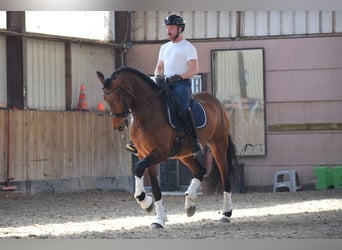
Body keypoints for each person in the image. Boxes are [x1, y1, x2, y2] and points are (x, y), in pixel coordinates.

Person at [126, 14, 202, 157]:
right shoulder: (164, 47)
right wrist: (157, 77)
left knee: (183, 108)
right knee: (145, 104)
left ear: (180, 29)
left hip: (181, 84)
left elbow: (195, 69)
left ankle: (194, 141)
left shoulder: (188, 47)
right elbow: (159, 67)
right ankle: (135, 140)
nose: (168, 31)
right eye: (167, 28)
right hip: (165, 83)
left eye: (171, 28)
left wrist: (179, 76)